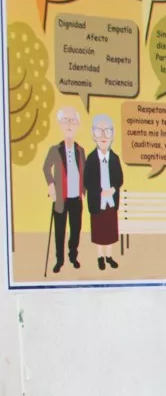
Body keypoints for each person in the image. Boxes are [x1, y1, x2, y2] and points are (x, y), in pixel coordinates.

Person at [42, 107, 85, 273]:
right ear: (60, 124)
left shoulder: (80, 150)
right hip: (60, 199)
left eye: (72, 120)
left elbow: (85, 171)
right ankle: (59, 260)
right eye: (65, 120)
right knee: (59, 231)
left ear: (78, 125)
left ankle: (73, 255)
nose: (69, 124)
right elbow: (46, 168)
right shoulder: (55, 150)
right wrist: (51, 184)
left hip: (76, 199)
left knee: (76, 230)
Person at [84, 114, 123, 271]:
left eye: (107, 131)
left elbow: (119, 178)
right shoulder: (91, 159)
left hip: (111, 201)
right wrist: (99, 192)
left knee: (110, 231)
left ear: (112, 135)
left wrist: (112, 189)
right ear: (94, 135)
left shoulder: (114, 158)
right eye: (99, 132)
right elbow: (87, 181)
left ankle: (109, 256)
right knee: (99, 231)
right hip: (97, 201)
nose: (103, 136)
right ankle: (100, 257)